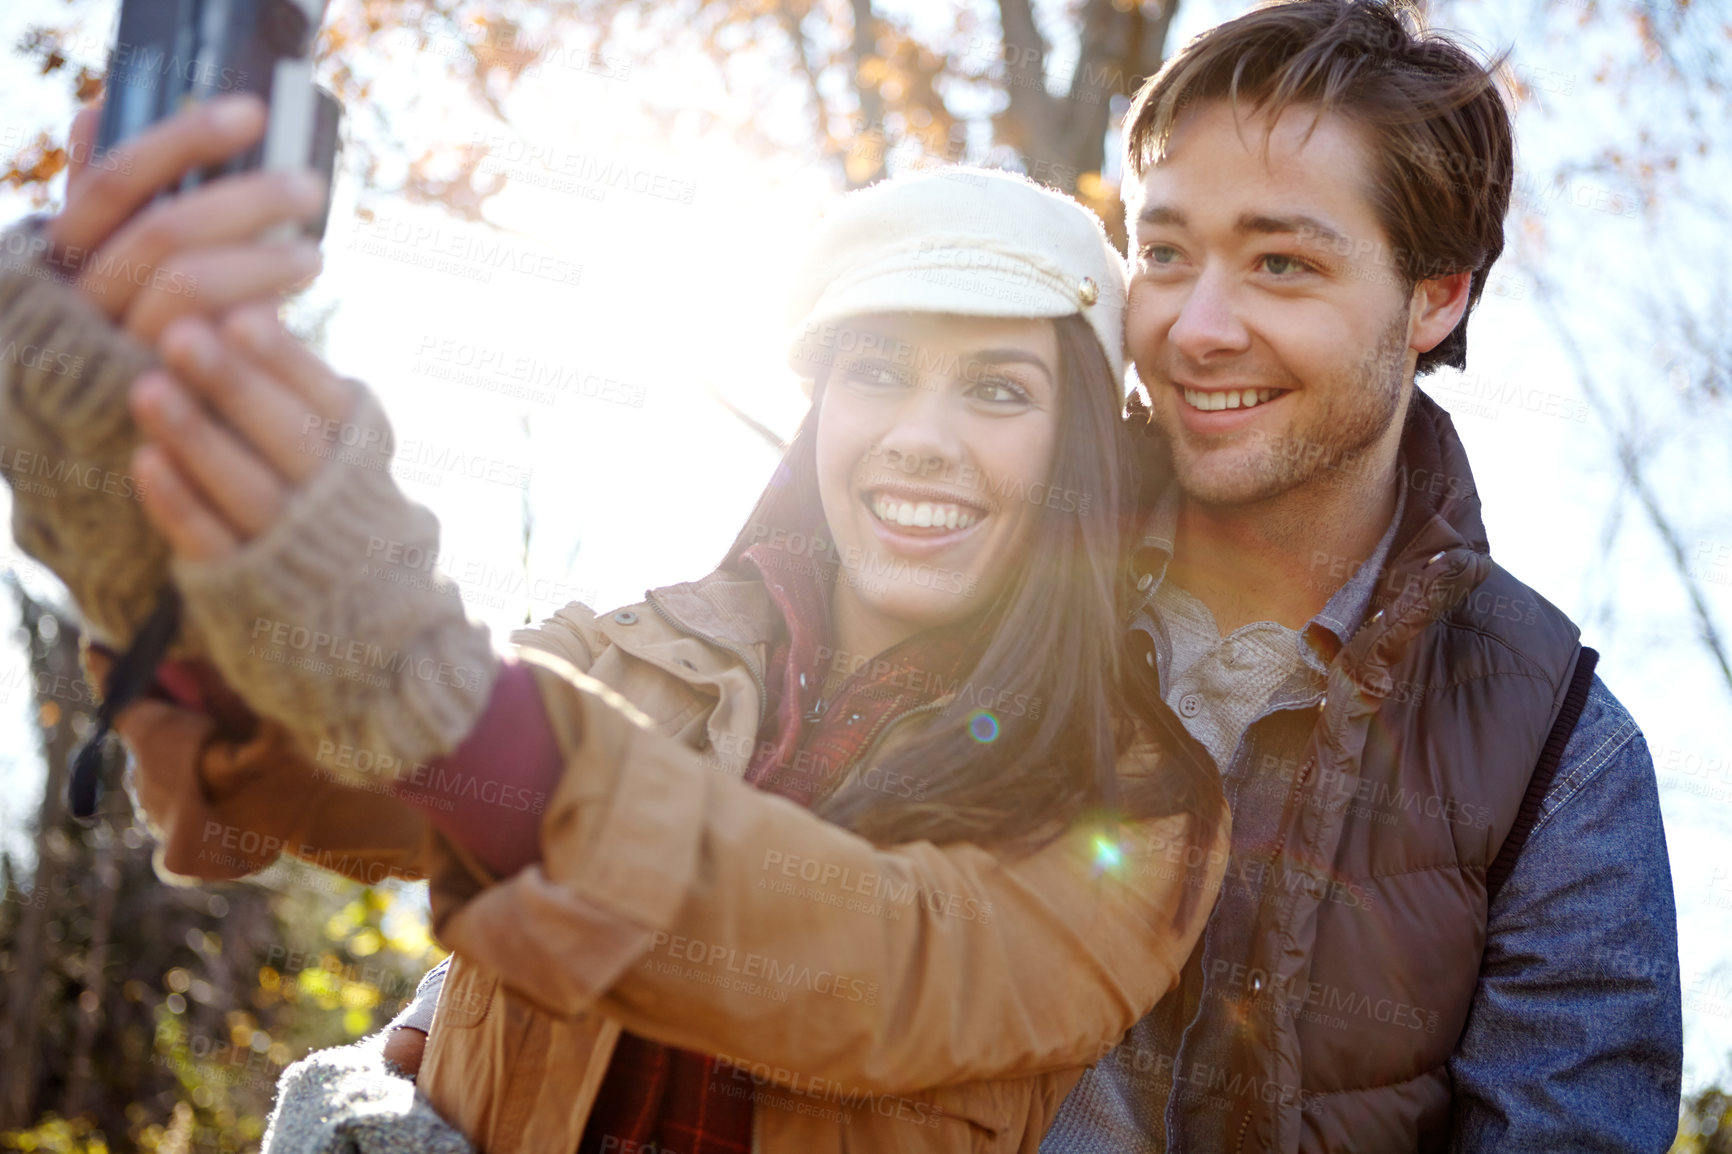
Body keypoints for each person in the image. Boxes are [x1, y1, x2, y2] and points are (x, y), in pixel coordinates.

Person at [0, 129, 1230, 1151]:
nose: (918, 434)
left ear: (1074, 451)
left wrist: (435, 698)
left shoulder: (1135, 795)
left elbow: (885, 971)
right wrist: (140, 548)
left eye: (998, 389)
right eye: (877, 372)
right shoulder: (631, 655)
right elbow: (328, 791)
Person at [1033, 2, 1682, 1151]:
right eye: (1166, 253)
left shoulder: (1559, 756)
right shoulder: (993, 572)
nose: (1196, 326)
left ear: (1437, 294)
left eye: (1281, 262)